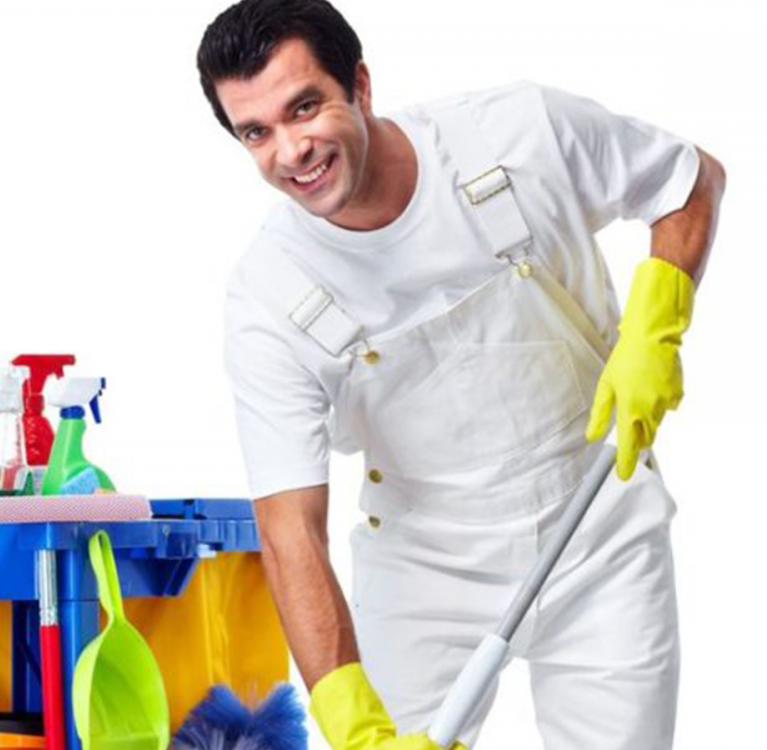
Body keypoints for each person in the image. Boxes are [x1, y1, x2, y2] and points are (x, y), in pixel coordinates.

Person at [196, 1, 725, 748]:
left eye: (304, 107)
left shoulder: (517, 134)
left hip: (598, 531)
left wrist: (657, 325)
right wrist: (350, 719)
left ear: (360, 85)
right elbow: (291, 531)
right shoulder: (269, 296)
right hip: (422, 573)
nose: (291, 150)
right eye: (256, 132)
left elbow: (688, 180)